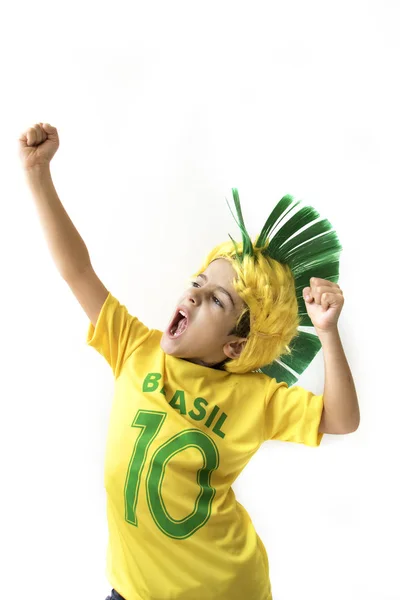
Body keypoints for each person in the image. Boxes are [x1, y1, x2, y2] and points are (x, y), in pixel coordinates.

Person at [18, 122, 360, 600]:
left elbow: (341, 419)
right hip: (132, 590)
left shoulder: (254, 397)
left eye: (218, 301)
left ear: (236, 347)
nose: (195, 296)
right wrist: (37, 175)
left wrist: (328, 332)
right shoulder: (134, 347)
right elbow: (77, 270)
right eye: (198, 283)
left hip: (224, 589)